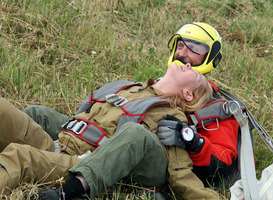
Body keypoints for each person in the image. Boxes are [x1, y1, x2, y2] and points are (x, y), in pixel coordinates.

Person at [23, 22, 240, 189]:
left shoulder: (215, 108)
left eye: (194, 48)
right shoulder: (160, 83)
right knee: (36, 113)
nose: (182, 53)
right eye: (180, 46)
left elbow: (223, 164)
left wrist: (193, 142)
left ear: (210, 57)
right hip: (106, 135)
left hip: (139, 156)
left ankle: (63, 173)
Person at [0, 63, 219, 199]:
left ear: (188, 94)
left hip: (82, 164)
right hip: (61, 142)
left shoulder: (173, 119)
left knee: (19, 156)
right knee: (30, 112)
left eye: (196, 74)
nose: (188, 65)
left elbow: (181, 174)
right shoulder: (132, 88)